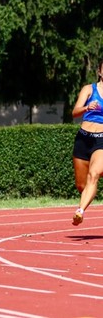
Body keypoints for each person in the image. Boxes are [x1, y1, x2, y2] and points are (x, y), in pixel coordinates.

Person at [71, 59, 103, 226]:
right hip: (83, 138)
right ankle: (86, 199)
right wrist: (87, 108)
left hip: (102, 140)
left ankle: (80, 211)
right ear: (100, 71)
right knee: (82, 185)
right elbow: (75, 112)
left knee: (94, 174)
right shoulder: (89, 89)